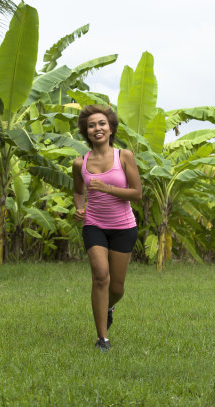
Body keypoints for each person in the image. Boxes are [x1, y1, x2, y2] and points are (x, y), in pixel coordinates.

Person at [72, 105, 142, 351]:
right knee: (100, 275)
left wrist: (108, 189)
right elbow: (78, 191)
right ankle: (102, 339)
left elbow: (137, 193)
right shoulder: (79, 162)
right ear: (86, 132)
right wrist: (79, 208)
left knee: (117, 288)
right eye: (91, 125)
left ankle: (109, 306)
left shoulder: (124, 156)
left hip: (124, 227)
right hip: (94, 225)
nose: (97, 128)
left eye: (101, 123)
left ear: (110, 128)